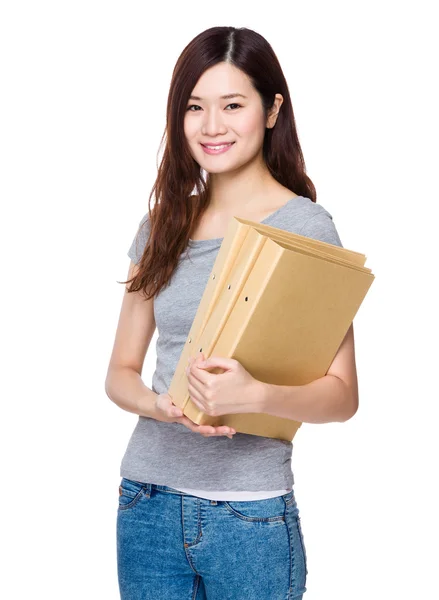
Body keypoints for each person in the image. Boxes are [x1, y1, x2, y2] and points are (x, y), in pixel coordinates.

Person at [106, 25, 359, 600]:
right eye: (195, 107)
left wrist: (257, 397)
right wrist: (160, 404)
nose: (211, 126)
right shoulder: (162, 225)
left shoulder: (306, 229)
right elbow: (120, 372)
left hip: (249, 517)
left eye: (232, 105)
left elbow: (343, 395)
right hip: (145, 502)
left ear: (271, 111)